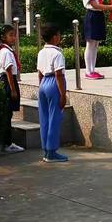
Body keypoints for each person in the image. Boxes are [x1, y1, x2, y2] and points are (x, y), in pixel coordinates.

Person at [37, 23, 68, 162]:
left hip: (43, 83)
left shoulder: (41, 52)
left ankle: (45, 150)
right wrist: (63, 94)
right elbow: (58, 75)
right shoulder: (57, 53)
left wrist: (41, 87)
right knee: (54, 119)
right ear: (55, 37)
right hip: (53, 84)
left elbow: (39, 73)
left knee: (44, 118)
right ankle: (52, 152)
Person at [81, 0, 112, 80]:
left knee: (95, 44)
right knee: (90, 44)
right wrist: (111, 7)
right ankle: (88, 70)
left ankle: (93, 69)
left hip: (99, 15)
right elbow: (95, 5)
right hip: (92, 15)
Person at [0, 25, 24, 153]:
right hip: (8, 81)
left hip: (7, 80)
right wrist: (12, 89)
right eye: (11, 35)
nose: (14, 38)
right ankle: (7, 143)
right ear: (3, 37)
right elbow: (8, 71)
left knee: (8, 113)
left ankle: (5, 142)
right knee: (7, 114)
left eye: (14, 35)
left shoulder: (4, 50)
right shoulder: (6, 51)